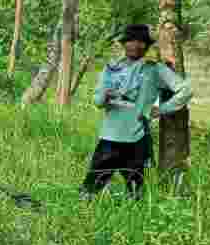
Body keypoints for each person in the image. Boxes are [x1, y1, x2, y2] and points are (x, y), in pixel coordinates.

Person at [80, 24, 191, 200]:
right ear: (124, 44)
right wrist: (105, 96)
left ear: (146, 46)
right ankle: (83, 217)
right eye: (131, 41)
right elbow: (97, 101)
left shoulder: (155, 69)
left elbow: (185, 90)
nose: (136, 45)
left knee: (135, 191)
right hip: (110, 137)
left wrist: (163, 109)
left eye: (141, 42)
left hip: (136, 137)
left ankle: (134, 220)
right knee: (90, 189)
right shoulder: (111, 68)